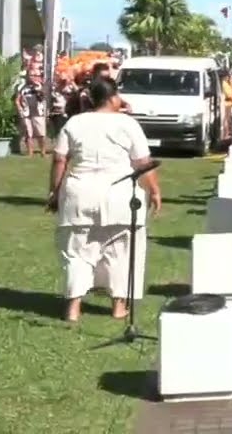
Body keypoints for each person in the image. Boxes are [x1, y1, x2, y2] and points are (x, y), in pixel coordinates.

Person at [47, 78, 163, 322]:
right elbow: (143, 162)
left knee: (77, 252)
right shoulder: (127, 124)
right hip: (119, 194)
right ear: (113, 97)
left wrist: (54, 192)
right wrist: (154, 191)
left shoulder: (75, 122)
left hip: (80, 192)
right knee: (121, 252)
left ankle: (73, 308)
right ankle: (118, 307)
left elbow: (60, 160)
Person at [16, 78, 48, 157]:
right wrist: (20, 109)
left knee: (41, 134)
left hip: (38, 113)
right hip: (26, 113)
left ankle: (43, 152)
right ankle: (30, 152)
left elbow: (44, 97)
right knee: (28, 134)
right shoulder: (23, 88)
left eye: (35, 76)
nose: (33, 78)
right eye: (31, 76)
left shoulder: (40, 86)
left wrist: (38, 88)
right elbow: (17, 100)